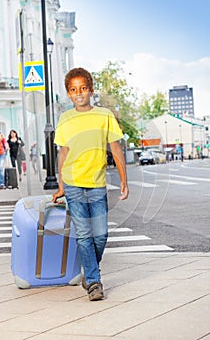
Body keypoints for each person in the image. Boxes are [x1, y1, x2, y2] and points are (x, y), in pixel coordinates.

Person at [52, 67, 129, 301]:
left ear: (91, 90)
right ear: (68, 93)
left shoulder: (104, 115)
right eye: (73, 90)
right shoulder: (66, 118)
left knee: (101, 235)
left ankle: (89, 270)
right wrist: (61, 184)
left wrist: (125, 181)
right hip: (74, 184)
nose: (79, 93)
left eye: (83, 88)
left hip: (97, 184)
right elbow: (63, 153)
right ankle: (94, 282)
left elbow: (115, 148)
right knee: (85, 235)